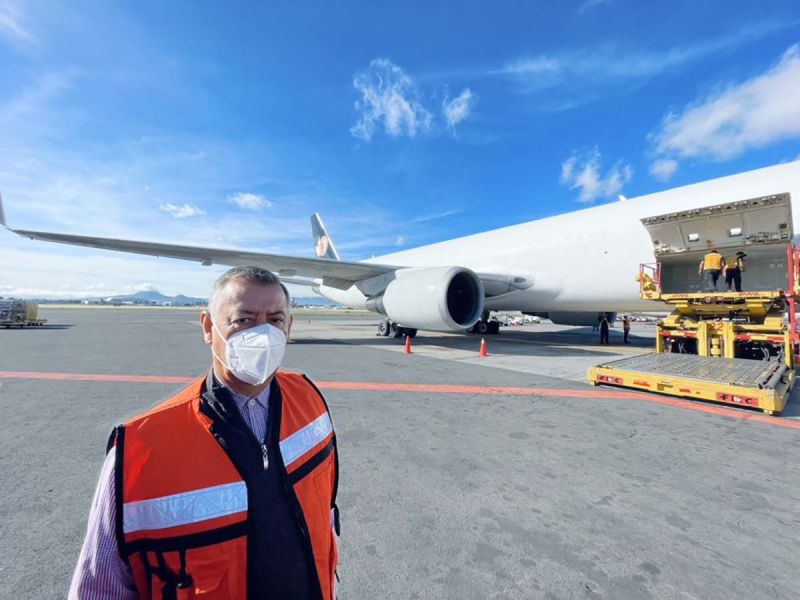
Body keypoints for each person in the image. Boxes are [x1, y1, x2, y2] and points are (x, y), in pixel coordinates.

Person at [69, 266, 339, 600]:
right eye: (243, 320)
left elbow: (323, 514)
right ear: (209, 328)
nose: (263, 334)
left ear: (289, 327)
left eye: (275, 320)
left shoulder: (310, 401)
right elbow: (100, 586)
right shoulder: (142, 446)